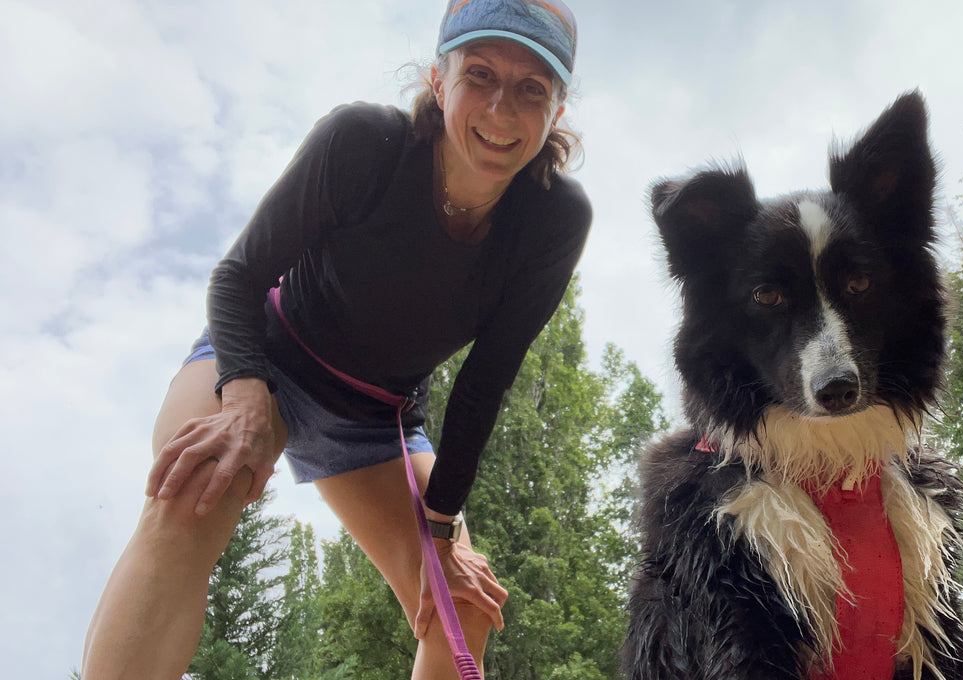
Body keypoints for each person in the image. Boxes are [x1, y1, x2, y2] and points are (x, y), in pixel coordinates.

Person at [81, 1, 589, 677]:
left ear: (555, 111)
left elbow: (484, 383)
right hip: (264, 359)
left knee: (462, 599)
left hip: (377, 419)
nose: (501, 109)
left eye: (532, 89)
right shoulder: (363, 142)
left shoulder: (554, 219)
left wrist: (440, 532)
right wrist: (242, 395)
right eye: (480, 75)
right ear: (439, 82)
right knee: (198, 484)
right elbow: (236, 277)